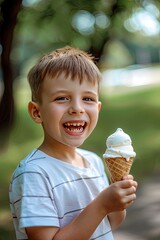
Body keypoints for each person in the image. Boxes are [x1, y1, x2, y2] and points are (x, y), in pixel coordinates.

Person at [9, 46, 138, 240]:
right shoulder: (34, 173)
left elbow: (111, 223)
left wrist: (116, 200)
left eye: (88, 98)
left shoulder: (93, 161)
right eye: (62, 98)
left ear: (98, 107)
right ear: (37, 112)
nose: (77, 108)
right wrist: (102, 204)